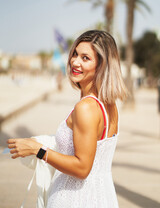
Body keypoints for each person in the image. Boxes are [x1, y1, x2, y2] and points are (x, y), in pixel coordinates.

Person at [7, 30, 128, 208]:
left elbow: (82, 168)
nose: (74, 62)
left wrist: (38, 149)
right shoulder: (109, 105)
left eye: (85, 58)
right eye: (75, 54)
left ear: (101, 66)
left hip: (74, 199)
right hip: (103, 197)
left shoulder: (85, 108)